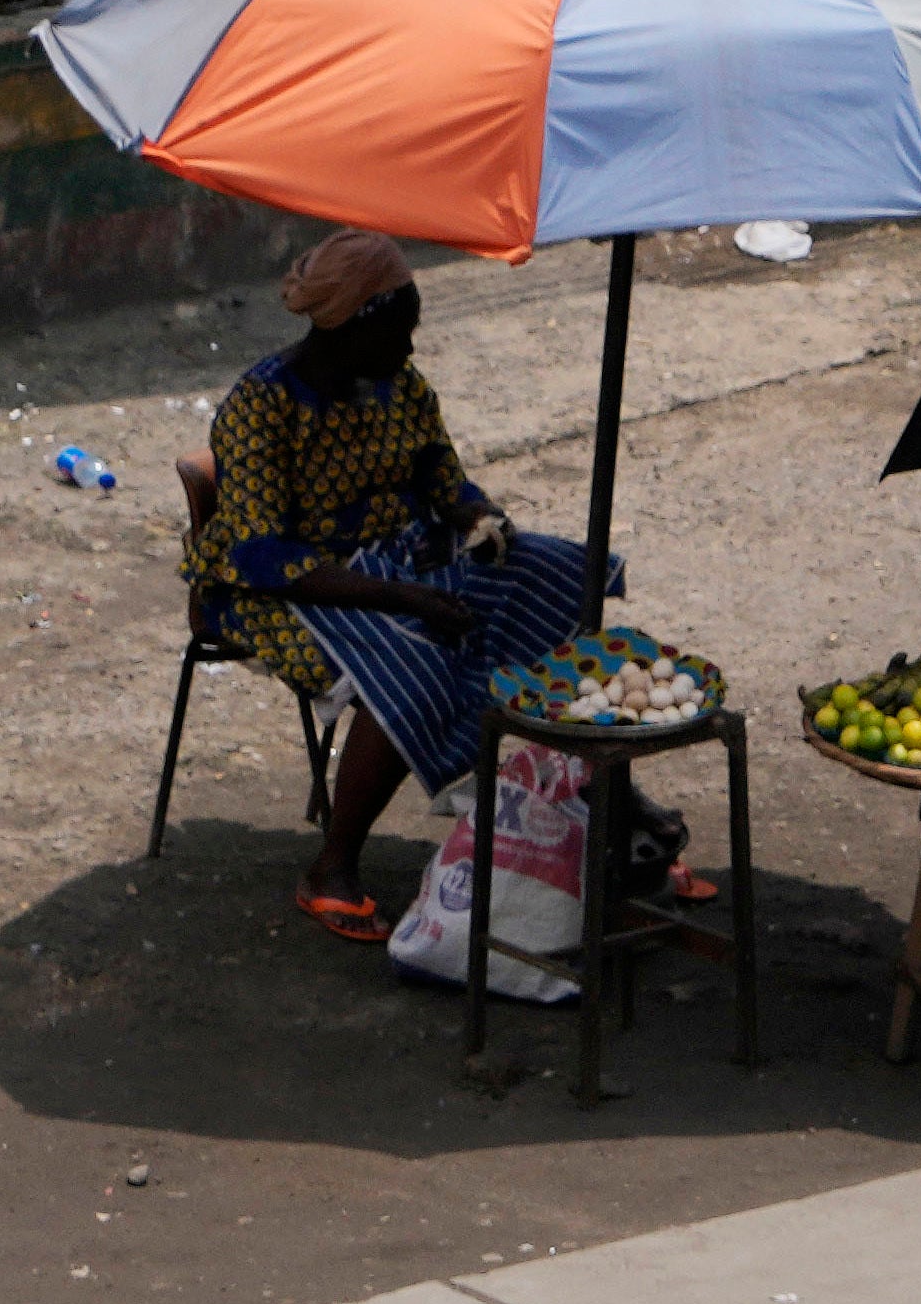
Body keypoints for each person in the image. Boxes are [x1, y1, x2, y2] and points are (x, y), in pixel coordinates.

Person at [179, 228, 612, 948]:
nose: (410, 349)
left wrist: (479, 516)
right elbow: (260, 552)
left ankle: (601, 807)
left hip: (394, 560)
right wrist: (405, 598)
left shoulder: (399, 388)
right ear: (353, 328)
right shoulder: (260, 405)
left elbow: (446, 481)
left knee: (554, 569)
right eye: (401, 331)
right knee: (405, 666)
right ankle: (332, 866)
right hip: (278, 587)